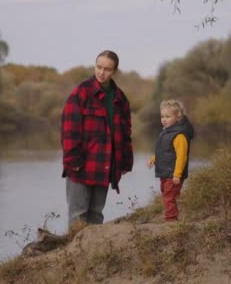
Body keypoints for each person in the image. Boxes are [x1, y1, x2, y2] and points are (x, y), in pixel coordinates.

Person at [60, 50, 133, 228]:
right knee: (78, 215)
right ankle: (74, 255)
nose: (101, 72)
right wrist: (73, 160)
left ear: (114, 71)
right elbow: (69, 129)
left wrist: (124, 162)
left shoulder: (120, 98)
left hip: (105, 165)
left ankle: (92, 254)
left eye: (107, 69)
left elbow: (125, 133)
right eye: (98, 67)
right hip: (82, 164)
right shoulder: (81, 93)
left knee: (96, 214)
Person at [146, 100, 194, 222]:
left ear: (177, 117)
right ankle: (170, 218)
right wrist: (154, 159)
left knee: (169, 197)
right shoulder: (165, 133)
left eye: (168, 116)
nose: (164, 119)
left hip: (173, 174)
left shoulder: (179, 136)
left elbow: (181, 157)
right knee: (166, 195)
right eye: (162, 116)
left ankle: (171, 221)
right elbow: (164, 151)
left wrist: (177, 175)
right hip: (165, 172)